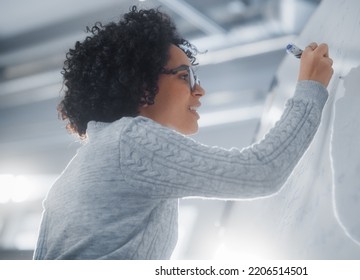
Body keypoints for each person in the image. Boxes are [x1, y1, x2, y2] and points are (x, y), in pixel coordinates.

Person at [33, 6, 333, 260]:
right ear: (139, 84)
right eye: (184, 76)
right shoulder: (129, 141)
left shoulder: (83, 165)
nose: (199, 90)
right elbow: (261, 172)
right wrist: (311, 87)